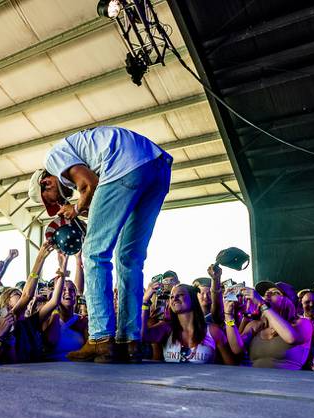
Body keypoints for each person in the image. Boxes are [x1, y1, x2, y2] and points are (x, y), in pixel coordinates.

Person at [29, 126, 173, 363]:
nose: (61, 200)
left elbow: (89, 184)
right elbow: (103, 202)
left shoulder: (53, 157)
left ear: (46, 183)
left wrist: (75, 209)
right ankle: (130, 341)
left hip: (125, 166)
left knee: (94, 253)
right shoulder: (83, 153)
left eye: (53, 200)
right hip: (157, 166)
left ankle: (100, 339)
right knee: (130, 258)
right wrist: (82, 207)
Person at [224, 282, 313, 370]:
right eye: (266, 292)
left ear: (289, 300)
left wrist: (262, 304)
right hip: (255, 380)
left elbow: (290, 337)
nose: (267, 294)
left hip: (288, 382)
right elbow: (237, 349)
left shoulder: (303, 323)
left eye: (275, 293)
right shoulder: (256, 325)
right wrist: (228, 316)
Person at [141, 283, 234, 364]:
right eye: (172, 297)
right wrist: (145, 302)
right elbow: (141, 336)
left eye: (180, 294)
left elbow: (231, 365)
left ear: (193, 299)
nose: (175, 298)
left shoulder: (213, 331)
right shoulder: (167, 329)